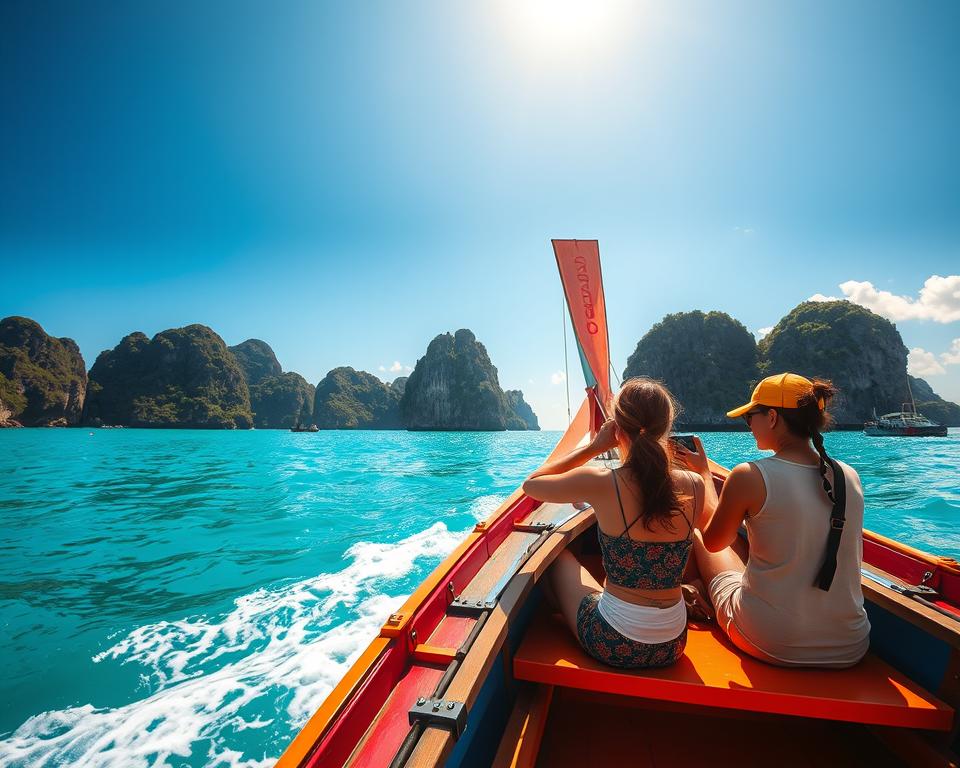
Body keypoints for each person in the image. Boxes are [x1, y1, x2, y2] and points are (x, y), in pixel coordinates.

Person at [675, 373, 870, 667]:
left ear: (772, 417)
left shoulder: (749, 475)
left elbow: (715, 542)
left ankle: (693, 587)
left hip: (772, 641)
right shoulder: (848, 476)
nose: (749, 426)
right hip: (850, 645)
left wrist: (703, 475)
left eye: (750, 417)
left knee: (698, 534)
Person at [522, 378, 703, 669]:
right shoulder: (695, 484)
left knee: (555, 556)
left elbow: (532, 485)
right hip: (673, 643)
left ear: (617, 427)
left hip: (614, 642)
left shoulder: (601, 483)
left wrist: (594, 447)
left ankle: (556, 616)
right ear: (665, 427)